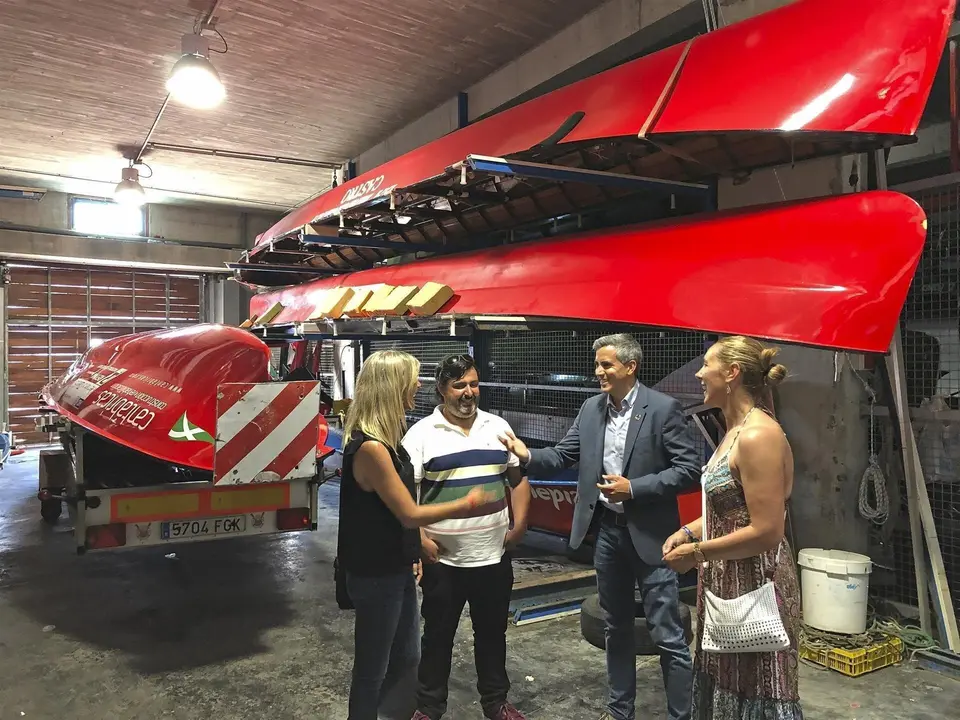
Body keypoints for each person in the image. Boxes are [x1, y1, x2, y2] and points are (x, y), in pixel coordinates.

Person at [500, 334, 701, 720]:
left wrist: (635, 489)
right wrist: (525, 454)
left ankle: (681, 715)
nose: (598, 372)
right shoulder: (591, 409)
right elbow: (562, 455)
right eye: (597, 364)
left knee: (668, 635)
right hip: (608, 534)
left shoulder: (663, 409)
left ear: (630, 367)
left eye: (606, 365)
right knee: (616, 628)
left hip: (653, 539)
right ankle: (619, 711)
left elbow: (689, 469)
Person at [337, 350, 494, 720]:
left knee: (407, 656)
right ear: (392, 387)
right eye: (413, 378)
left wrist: (411, 552)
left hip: (396, 567)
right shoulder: (372, 448)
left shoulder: (389, 441)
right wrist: (466, 504)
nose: (418, 385)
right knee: (372, 669)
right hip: (375, 575)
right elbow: (408, 513)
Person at [662, 335, 803, 719]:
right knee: (724, 685)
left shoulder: (758, 435)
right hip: (726, 584)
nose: (699, 373)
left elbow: (767, 530)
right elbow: (729, 510)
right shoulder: (734, 431)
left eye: (706, 365)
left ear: (732, 373)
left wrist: (698, 553)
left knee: (759, 689)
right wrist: (690, 531)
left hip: (757, 586)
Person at [403, 354, 531, 720]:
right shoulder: (421, 435)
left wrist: (519, 525)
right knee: (438, 638)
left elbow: (517, 479)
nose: (468, 392)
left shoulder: (497, 426)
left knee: (492, 635)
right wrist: (420, 540)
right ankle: (428, 707)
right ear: (442, 389)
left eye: (473, 384)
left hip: (492, 557)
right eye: (459, 385)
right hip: (443, 561)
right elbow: (408, 496)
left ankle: (496, 703)